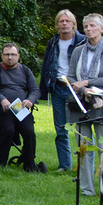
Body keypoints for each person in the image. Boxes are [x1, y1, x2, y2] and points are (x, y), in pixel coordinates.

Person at [69, 13, 103, 198]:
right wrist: (83, 90)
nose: (89, 29)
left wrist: (86, 83)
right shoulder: (78, 51)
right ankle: (86, 189)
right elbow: (71, 77)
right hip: (82, 105)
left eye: (92, 26)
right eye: (86, 26)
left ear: (102, 28)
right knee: (84, 148)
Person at [40, 9, 86, 172]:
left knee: (81, 129)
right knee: (60, 129)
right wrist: (44, 90)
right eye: (61, 21)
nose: (64, 24)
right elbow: (46, 65)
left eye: (67, 21)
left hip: (77, 90)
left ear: (74, 24)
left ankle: (84, 165)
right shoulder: (53, 42)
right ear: (57, 25)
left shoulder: (83, 41)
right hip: (58, 88)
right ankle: (65, 165)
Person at [0, 43, 43, 172]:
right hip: (2, 108)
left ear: (18, 56)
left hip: (19, 107)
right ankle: (0, 163)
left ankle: (29, 164)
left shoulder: (25, 70)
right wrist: (1, 99)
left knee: (29, 132)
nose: (10, 57)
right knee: (8, 130)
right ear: (2, 56)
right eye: (7, 54)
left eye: (13, 54)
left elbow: (35, 90)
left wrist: (30, 100)